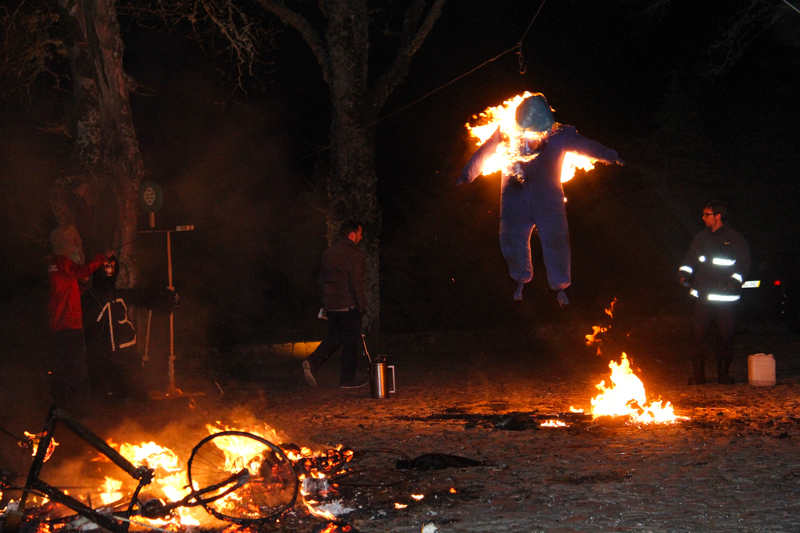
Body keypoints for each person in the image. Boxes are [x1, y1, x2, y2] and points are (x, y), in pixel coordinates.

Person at [457, 92, 624, 304]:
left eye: (537, 134)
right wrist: (468, 174)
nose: (533, 139)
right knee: (511, 237)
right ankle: (520, 280)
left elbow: (587, 145)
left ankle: (560, 285)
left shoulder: (560, 135)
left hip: (548, 201)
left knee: (556, 240)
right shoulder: (507, 134)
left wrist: (610, 155)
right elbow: (485, 152)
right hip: (514, 201)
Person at [82, 255, 178, 404]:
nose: (109, 269)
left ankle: (138, 406)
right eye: (106, 265)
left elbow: (141, 296)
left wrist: (166, 297)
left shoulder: (119, 295)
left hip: (125, 347)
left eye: (113, 266)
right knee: (105, 390)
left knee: (136, 384)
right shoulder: (91, 297)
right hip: (104, 350)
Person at [678, 201, 750, 385]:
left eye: (706, 214)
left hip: (725, 299)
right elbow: (691, 258)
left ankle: (723, 374)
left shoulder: (735, 238)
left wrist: (733, 282)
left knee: (725, 336)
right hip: (703, 296)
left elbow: (743, 264)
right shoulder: (701, 238)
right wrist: (684, 273)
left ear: (718, 216)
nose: (703, 218)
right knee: (698, 335)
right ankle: (698, 374)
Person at [48, 225, 114, 409]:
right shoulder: (61, 260)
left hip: (61, 322)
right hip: (69, 322)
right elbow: (80, 272)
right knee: (76, 367)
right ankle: (78, 407)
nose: (76, 249)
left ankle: (65, 403)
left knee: (66, 365)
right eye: (73, 244)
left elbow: (69, 285)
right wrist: (102, 257)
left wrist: (82, 286)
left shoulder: (54, 263)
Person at [303, 221, 368, 389]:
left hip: (331, 305)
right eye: (360, 234)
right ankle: (347, 380)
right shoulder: (356, 254)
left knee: (335, 337)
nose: (361, 238)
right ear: (352, 235)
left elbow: (321, 280)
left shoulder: (328, 253)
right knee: (351, 342)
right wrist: (361, 305)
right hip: (348, 304)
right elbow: (357, 282)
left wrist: (325, 302)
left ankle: (313, 362)